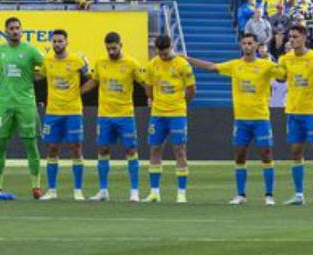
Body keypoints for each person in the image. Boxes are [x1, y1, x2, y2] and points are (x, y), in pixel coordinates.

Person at [187, 33, 279, 205]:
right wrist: (188, 59)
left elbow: (283, 76)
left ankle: (269, 195)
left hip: (261, 118)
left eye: (250, 43)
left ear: (257, 45)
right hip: (241, 119)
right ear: (241, 45)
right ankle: (241, 195)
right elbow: (212, 67)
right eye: (244, 43)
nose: (247, 46)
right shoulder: (235, 65)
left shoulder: (266, 65)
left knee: (266, 154)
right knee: (239, 155)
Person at [0, 17, 46, 198]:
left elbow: (48, 67)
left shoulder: (31, 51)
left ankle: (36, 186)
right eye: (11, 28)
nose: (15, 31)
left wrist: (35, 77)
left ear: (22, 30)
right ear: (6, 31)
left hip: (25, 103)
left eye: (18, 28)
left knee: (31, 144)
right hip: (4, 104)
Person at [81, 32, 145, 202]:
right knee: (103, 150)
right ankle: (103, 190)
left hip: (125, 115)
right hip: (105, 116)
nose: (110, 51)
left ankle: (134, 191)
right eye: (108, 48)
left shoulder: (131, 64)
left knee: (131, 150)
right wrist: (77, 93)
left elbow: (143, 82)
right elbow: (93, 81)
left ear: (120, 45)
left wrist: (153, 96)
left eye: (114, 48)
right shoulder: (101, 63)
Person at [276, 24, 313, 206]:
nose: (291, 40)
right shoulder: (285, 59)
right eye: (290, 37)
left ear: (304, 37)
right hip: (293, 110)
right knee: (295, 152)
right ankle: (299, 194)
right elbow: (281, 78)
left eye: (295, 37)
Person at [143, 35, 196, 203]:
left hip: (177, 114)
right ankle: (154, 192)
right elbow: (148, 87)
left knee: (179, 150)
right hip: (158, 114)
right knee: (155, 149)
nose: (163, 56)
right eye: (160, 53)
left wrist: (181, 103)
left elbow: (191, 89)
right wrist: (154, 101)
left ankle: (181, 193)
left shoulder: (182, 64)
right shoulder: (152, 64)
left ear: (171, 47)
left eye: (165, 52)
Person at [39, 29, 89, 200]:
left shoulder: (77, 60)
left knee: (76, 148)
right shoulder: (47, 61)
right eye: (54, 41)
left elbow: (91, 78)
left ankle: (78, 190)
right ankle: (52, 190)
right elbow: (39, 77)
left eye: (60, 41)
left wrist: (78, 92)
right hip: (52, 112)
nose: (57, 44)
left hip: (73, 112)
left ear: (67, 42)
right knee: (51, 148)